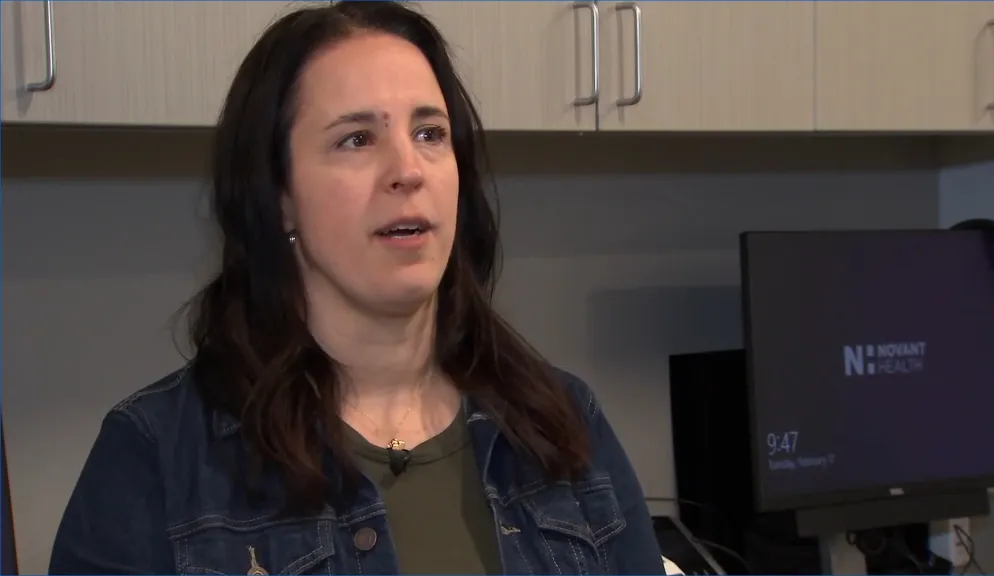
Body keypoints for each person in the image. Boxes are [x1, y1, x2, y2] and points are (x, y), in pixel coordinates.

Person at [48, 2, 664, 574]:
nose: (407, 170)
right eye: (356, 139)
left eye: (430, 133)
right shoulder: (155, 455)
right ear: (280, 197)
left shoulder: (562, 423)